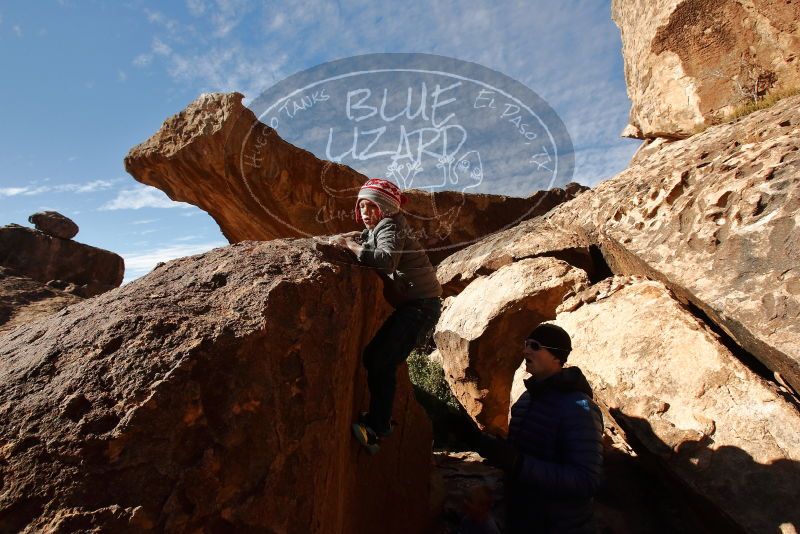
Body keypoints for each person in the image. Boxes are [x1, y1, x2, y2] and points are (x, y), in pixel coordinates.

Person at [330, 178, 442, 454]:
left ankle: (378, 428)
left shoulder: (391, 225)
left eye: (372, 207)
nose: (366, 213)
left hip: (421, 307)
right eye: (362, 207)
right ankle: (382, 421)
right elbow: (371, 240)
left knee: (380, 359)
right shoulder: (386, 225)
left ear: (385, 208)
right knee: (375, 358)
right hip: (416, 305)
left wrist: (352, 247)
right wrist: (351, 240)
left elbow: (384, 259)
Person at [473, 324, 604, 534]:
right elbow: (521, 452)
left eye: (534, 346)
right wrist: (483, 443)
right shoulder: (527, 398)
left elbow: (585, 481)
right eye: (526, 345)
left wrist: (518, 463)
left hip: (559, 525)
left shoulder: (580, 408)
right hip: (522, 518)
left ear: (556, 356)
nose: (525, 351)